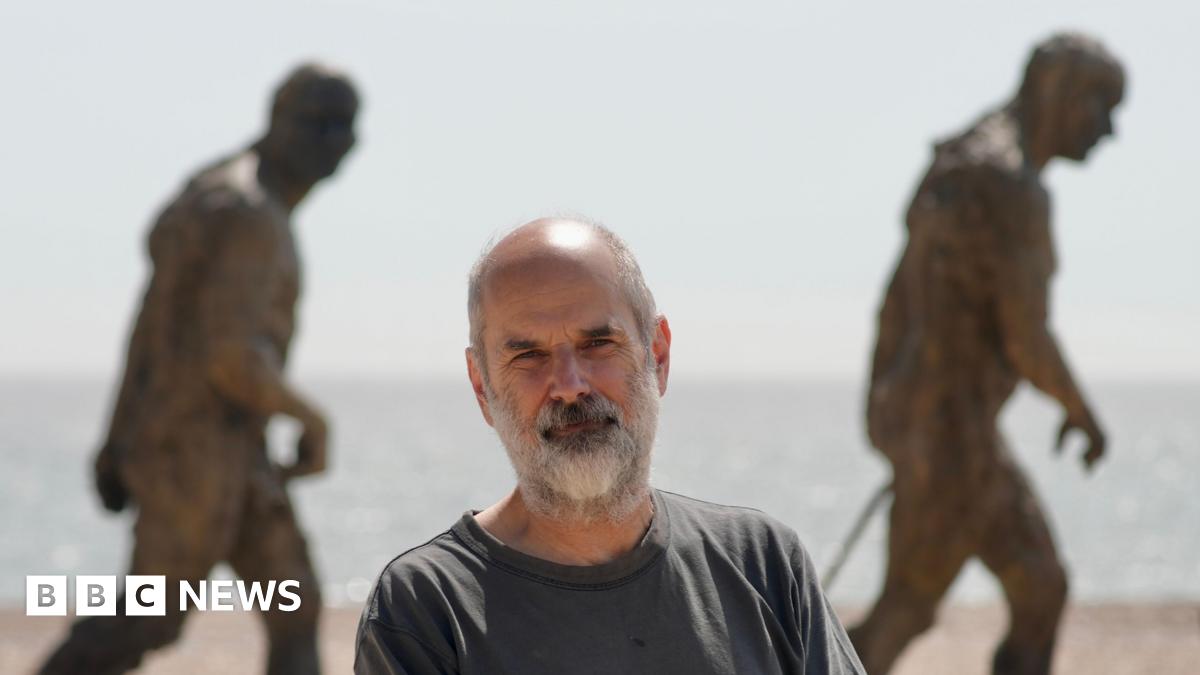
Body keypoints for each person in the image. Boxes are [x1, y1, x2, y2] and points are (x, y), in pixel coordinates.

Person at [355, 217, 865, 674]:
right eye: (528, 354)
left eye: (598, 343)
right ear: (481, 386)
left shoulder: (762, 563)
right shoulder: (424, 608)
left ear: (657, 355)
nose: (570, 384)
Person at [39, 64, 359, 675]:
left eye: (343, 127)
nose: (336, 143)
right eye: (321, 124)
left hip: (234, 451)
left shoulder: (218, 195)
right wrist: (314, 420)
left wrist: (117, 436)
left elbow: (150, 332)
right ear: (280, 120)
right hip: (195, 454)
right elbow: (230, 359)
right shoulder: (249, 215)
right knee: (149, 615)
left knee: (293, 602)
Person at [848, 34, 1124, 675]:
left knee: (1035, 587)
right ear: (1058, 92)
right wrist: (1083, 411)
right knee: (911, 608)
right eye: (1100, 107)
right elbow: (1026, 337)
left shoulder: (960, 162)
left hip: (941, 425)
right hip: (950, 435)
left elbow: (898, 309)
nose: (1108, 131)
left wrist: (890, 413)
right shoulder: (1008, 187)